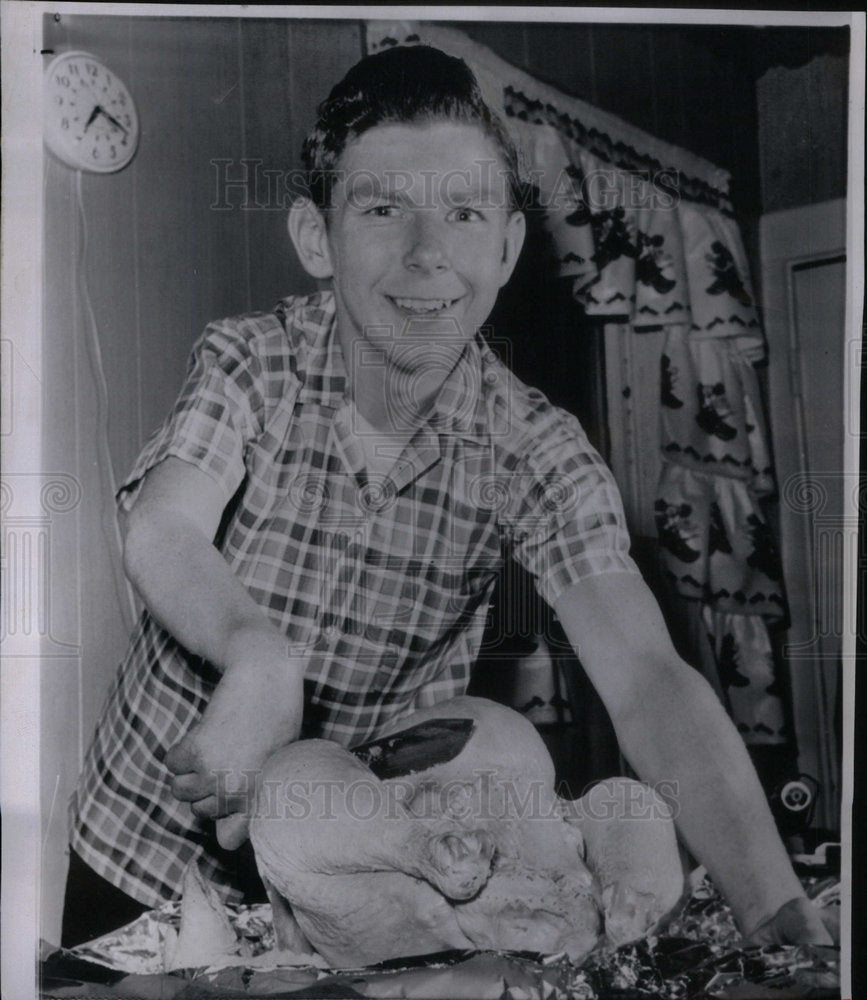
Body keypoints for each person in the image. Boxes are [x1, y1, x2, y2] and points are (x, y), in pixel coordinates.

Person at [62, 44, 832, 951]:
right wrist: (260, 660)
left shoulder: (535, 449)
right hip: (147, 856)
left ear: (507, 247)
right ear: (318, 237)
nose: (428, 256)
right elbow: (162, 524)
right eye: (383, 208)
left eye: (464, 213)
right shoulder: (250, 360)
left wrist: (777, 914)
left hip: (369, 899)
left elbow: (649, 683)